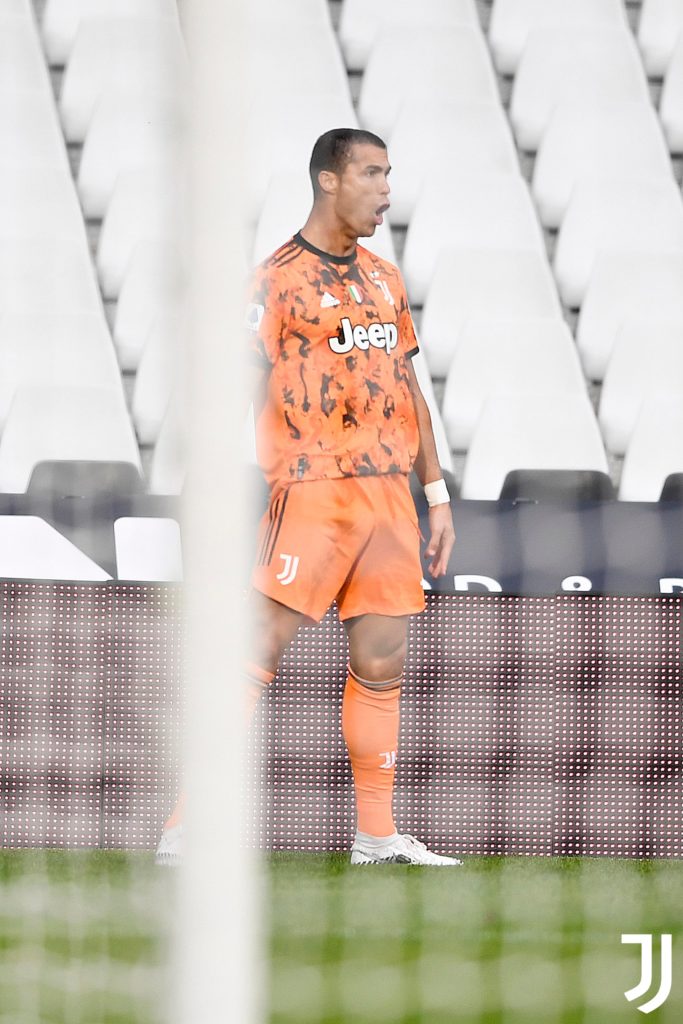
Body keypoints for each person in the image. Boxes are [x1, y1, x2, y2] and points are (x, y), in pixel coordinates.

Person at [157, 127, 460, 867]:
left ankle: (376, 837)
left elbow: (408, 387)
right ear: (329, 179)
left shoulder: (386, 279)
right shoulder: (274, 280)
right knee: (253, 650)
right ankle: (185, 827)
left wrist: (436, 492)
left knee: (382, 661)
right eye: (371, 173)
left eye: (388, 174)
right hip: (312, 490)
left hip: (390, 497)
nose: (386, 189)